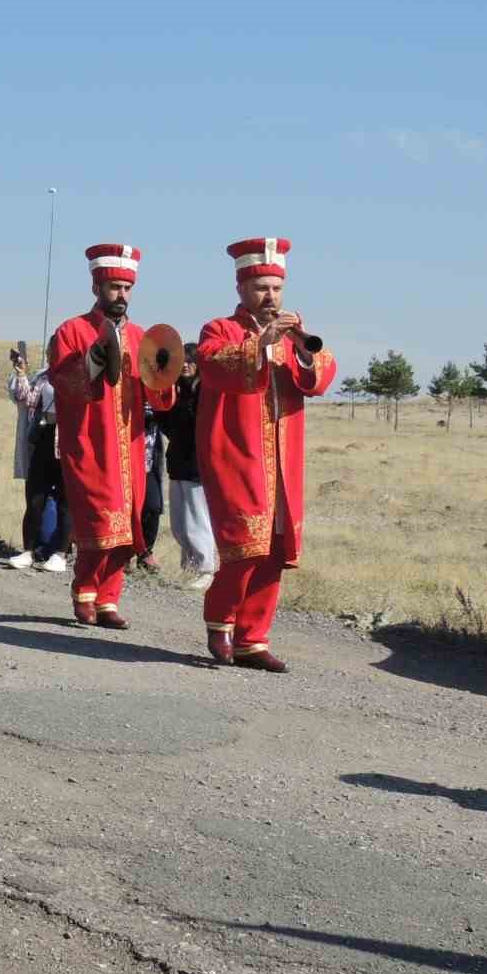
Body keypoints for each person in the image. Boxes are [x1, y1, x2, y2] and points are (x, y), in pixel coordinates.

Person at [196, 238, 336, 670]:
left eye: (275, 288)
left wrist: (301, 353)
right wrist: (260, 345)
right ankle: (220, 623)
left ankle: (253, 640)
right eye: (260, 287)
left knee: (275, 549)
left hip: (283, 459)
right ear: (241, 289)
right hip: (236, 455)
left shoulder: (295, 331)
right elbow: (212, 364)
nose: (270, 296)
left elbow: (321, 376)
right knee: (245, 547)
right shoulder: (219, 328)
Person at [48, 245, 176, 629]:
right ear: (96, 287)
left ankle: (108, 600)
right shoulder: (71, 330)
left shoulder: (141, 337)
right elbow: (63, 381)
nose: (121, 295)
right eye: (114, 287)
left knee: (128, 524)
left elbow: (160, 397)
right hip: (89, 444)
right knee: (98, 521)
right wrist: (94, 358)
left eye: (126, 288)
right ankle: (84, 591)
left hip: (132, 447)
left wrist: (167, 375)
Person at [158, 343, 216, 590]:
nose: (185, 364)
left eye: (191, 359)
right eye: (182, 360)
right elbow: (166, 423)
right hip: (178, 462)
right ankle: (189, 567)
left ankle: (206, 569)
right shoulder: (175, 391)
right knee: (180, 523)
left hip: (198, 465)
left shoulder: (206, 391)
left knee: (197, 519)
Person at [6, 353, 69, 572]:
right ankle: (28, 551)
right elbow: (24, 398)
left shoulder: (78, 376)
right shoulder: (42, 376)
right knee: (34, 496)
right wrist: (21, 372)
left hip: (69, 442)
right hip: (44, 437)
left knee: (65, 500)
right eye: (51, 350)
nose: (54, 355)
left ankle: (61, 553)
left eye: (58, 350)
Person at [136, 408, 166, 570]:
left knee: (152, 506)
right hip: (125, 458)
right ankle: (124, 553)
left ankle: (146, 552)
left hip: (148, 461)